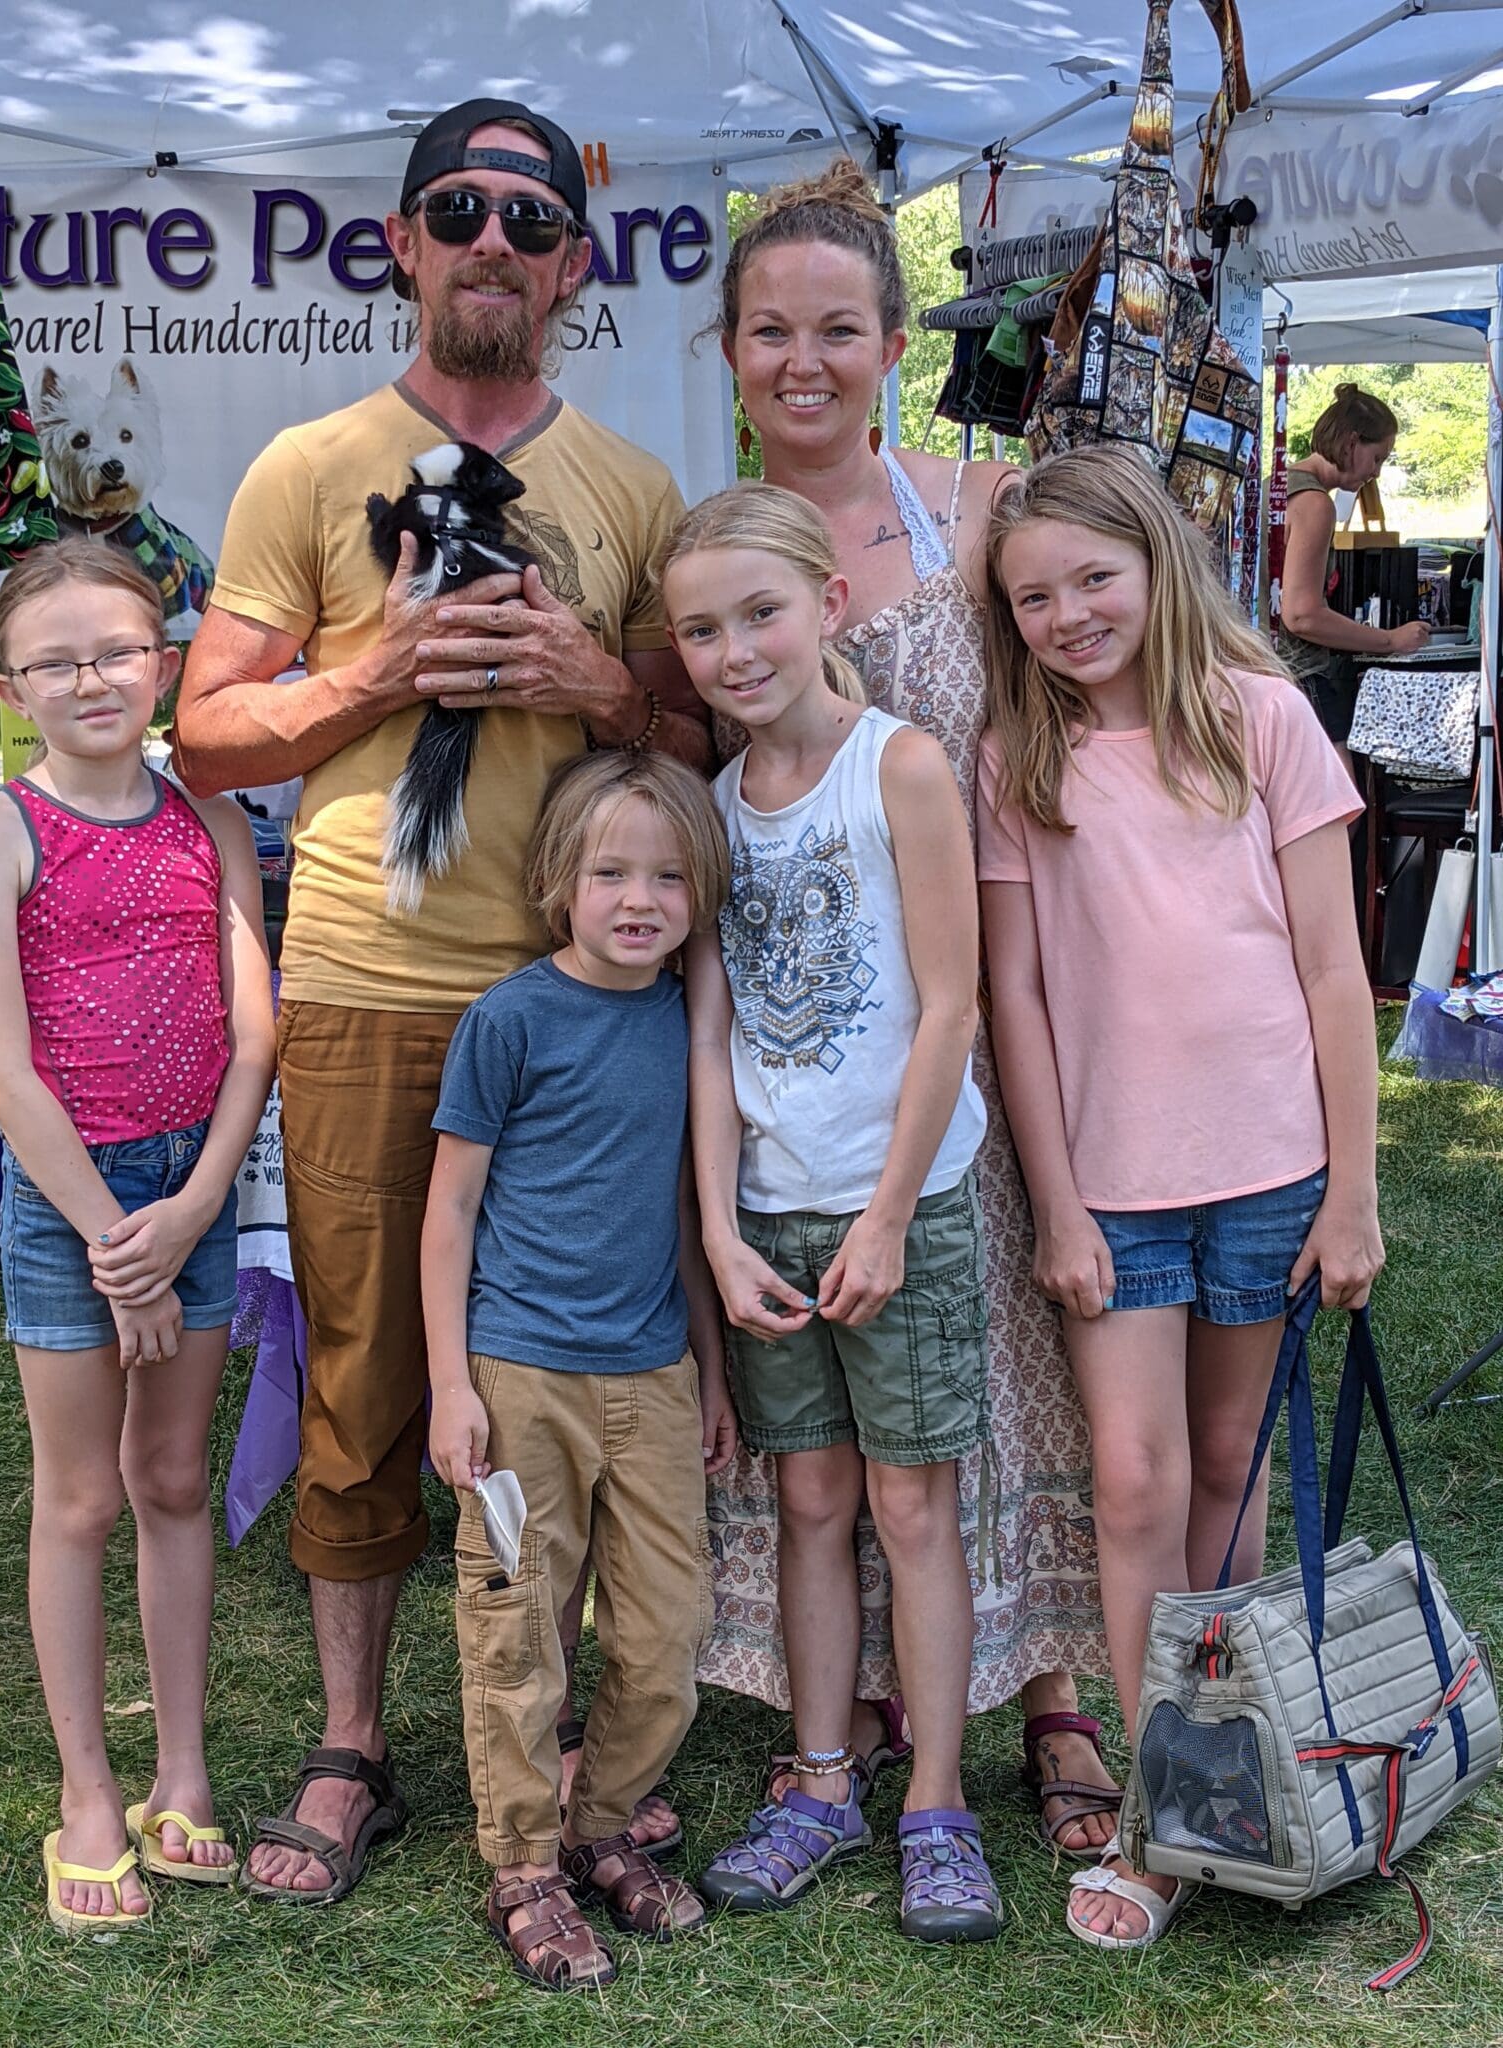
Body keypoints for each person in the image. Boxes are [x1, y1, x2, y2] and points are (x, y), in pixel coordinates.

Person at [171, 97, 708, 1902]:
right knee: (369, 1364)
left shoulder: (632, 491)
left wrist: (599, 685)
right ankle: (354, 1743)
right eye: (456, 208)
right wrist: (370, 670)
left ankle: (548, 1725)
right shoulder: (312, 467)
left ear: (572, 262)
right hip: (368, 987)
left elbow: (703, 740)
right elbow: (205, 730)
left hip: (583, 1006)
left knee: (567, 1365)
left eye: (528, 215)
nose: (493, 236)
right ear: (403, 243)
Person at [700, 158, 1116, 1860]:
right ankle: (848, 1703)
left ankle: (1051, 1680)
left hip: (995, 979)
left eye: (840, 330)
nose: (806, 361)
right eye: (771, 332)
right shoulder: (717, 560)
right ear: (730, 348)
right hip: (821, 1032)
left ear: (889, 342)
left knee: (1011, 1346)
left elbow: (1113, 652)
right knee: (845, 1412)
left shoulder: (977, 501)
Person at [976, 446, 1382, 1952]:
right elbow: (1014, 997)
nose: (1072, 614)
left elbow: (1338, 975)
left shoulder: (1260, 719)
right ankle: (1154, 1813)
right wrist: (1061, 1201)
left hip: (1274, 1170)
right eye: (1035, 598)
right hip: (1115, 1191)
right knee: (1136, 1483)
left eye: (1096, 579)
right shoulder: (1018, 761)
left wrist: (1355, 1191)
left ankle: (1225, 1765)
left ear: (1157, 563)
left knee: (1231, 1464)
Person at [668, 482, 1003, 1943]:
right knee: (806, 1499)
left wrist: (881, 1218)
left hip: (899, 1209)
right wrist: (723, 1232)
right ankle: (818, 1782)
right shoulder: (712, 812)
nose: (734, 650)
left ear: (829, 609)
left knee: (909, 1505)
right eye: (700, 630)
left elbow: (952, 1007)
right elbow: (707, 1034)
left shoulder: (901, 767)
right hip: (771, 1214)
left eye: (759, 613)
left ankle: (935, 1796)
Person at [0, 541, 275, 1932]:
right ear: (9, 688)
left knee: (169, 1481)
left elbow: (254, 1028)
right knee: (82, 1496)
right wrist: (110, 1238)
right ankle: (88, 1790)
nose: (92, 678)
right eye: (58, 660)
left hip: (191, 1192)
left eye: (118, 652)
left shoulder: (205, 821)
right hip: (69, 1206)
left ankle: (183, 1770)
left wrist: (198, 1205)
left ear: (162, 664)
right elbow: (1, 1064)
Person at [422, 749, 734, 1991]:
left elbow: (681, 1209)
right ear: (560, 878)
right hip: (519, 1373)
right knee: (516, 1628)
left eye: (667, 876)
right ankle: (524, 1864)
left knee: (668, 1630)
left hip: (651, 1370)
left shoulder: (685, 1021)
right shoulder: (510, 1019)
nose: (638, 897)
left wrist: (709, 1369)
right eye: (610, 870)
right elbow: (449, 1212)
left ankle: (602, 1821)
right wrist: (451, 1384)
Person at [1279, 382, 1431, 762]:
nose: (1376, 474)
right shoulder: (1314, 504)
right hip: (1298, 675)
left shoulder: (1275, 486)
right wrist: (1389, 640)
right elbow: (1301, 614)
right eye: (1377, 458)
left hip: (1258, 669)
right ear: (1350, 443)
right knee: (1343, 813)